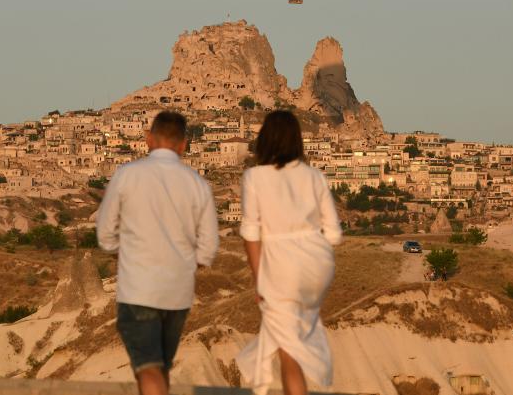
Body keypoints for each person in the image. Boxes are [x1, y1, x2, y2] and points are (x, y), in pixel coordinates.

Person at [96, 111, 219, 395]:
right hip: (178, 294)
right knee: (159, 368)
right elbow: (209, 247)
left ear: (148, 139)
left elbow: (104, 234)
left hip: (138, 289)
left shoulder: (127, 175)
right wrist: (185, 266)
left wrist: (123, 256)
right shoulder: (198, 184)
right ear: (184, 144)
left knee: (149, 368)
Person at [236, 110, 342, 395]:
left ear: (265, 141)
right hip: (317, 264)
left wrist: (260, 280)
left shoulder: (255, 177)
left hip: (282, 264)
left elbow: (250, 233)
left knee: (288, 349)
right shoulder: (314, 176)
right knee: (292, 335)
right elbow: (333, 233)